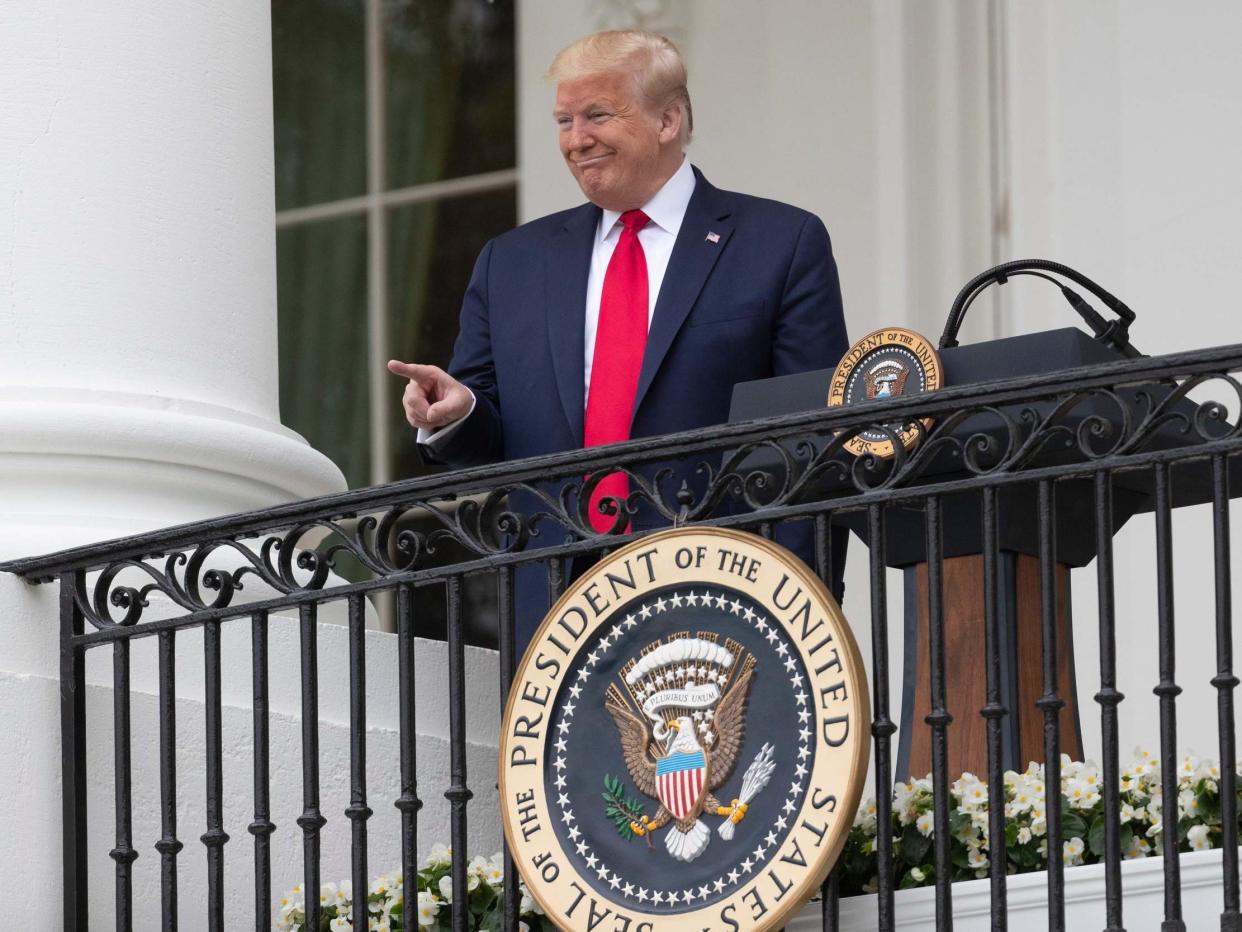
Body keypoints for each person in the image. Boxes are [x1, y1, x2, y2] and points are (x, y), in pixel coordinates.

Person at [388, 30, 848, 650]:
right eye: (565, 120)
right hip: (556, 609)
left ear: (668, 119)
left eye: (597, 114)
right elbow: (490, 441)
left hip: (724, 595)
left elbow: (812, 446)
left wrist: (799, 612)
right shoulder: (512, 263)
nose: (576, 140)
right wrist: (457, 412)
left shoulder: (779, 243)